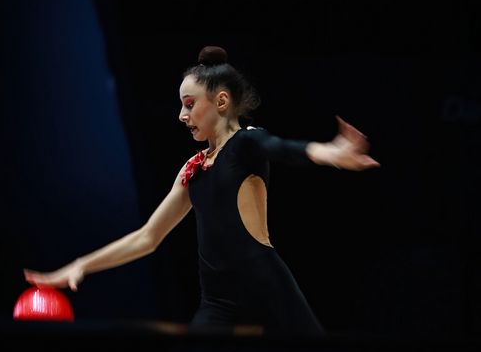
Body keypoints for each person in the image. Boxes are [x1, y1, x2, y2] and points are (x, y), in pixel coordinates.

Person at [24, 46, 379, 334]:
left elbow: (284, 148)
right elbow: (148, 237)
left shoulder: (245, 144)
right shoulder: (193, 170)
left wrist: (332, 153)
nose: (182, 114)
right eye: (181, 105)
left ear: (221, 102)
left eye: (190, 104)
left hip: (266, 289)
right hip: (218, 304)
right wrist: (81, 265)